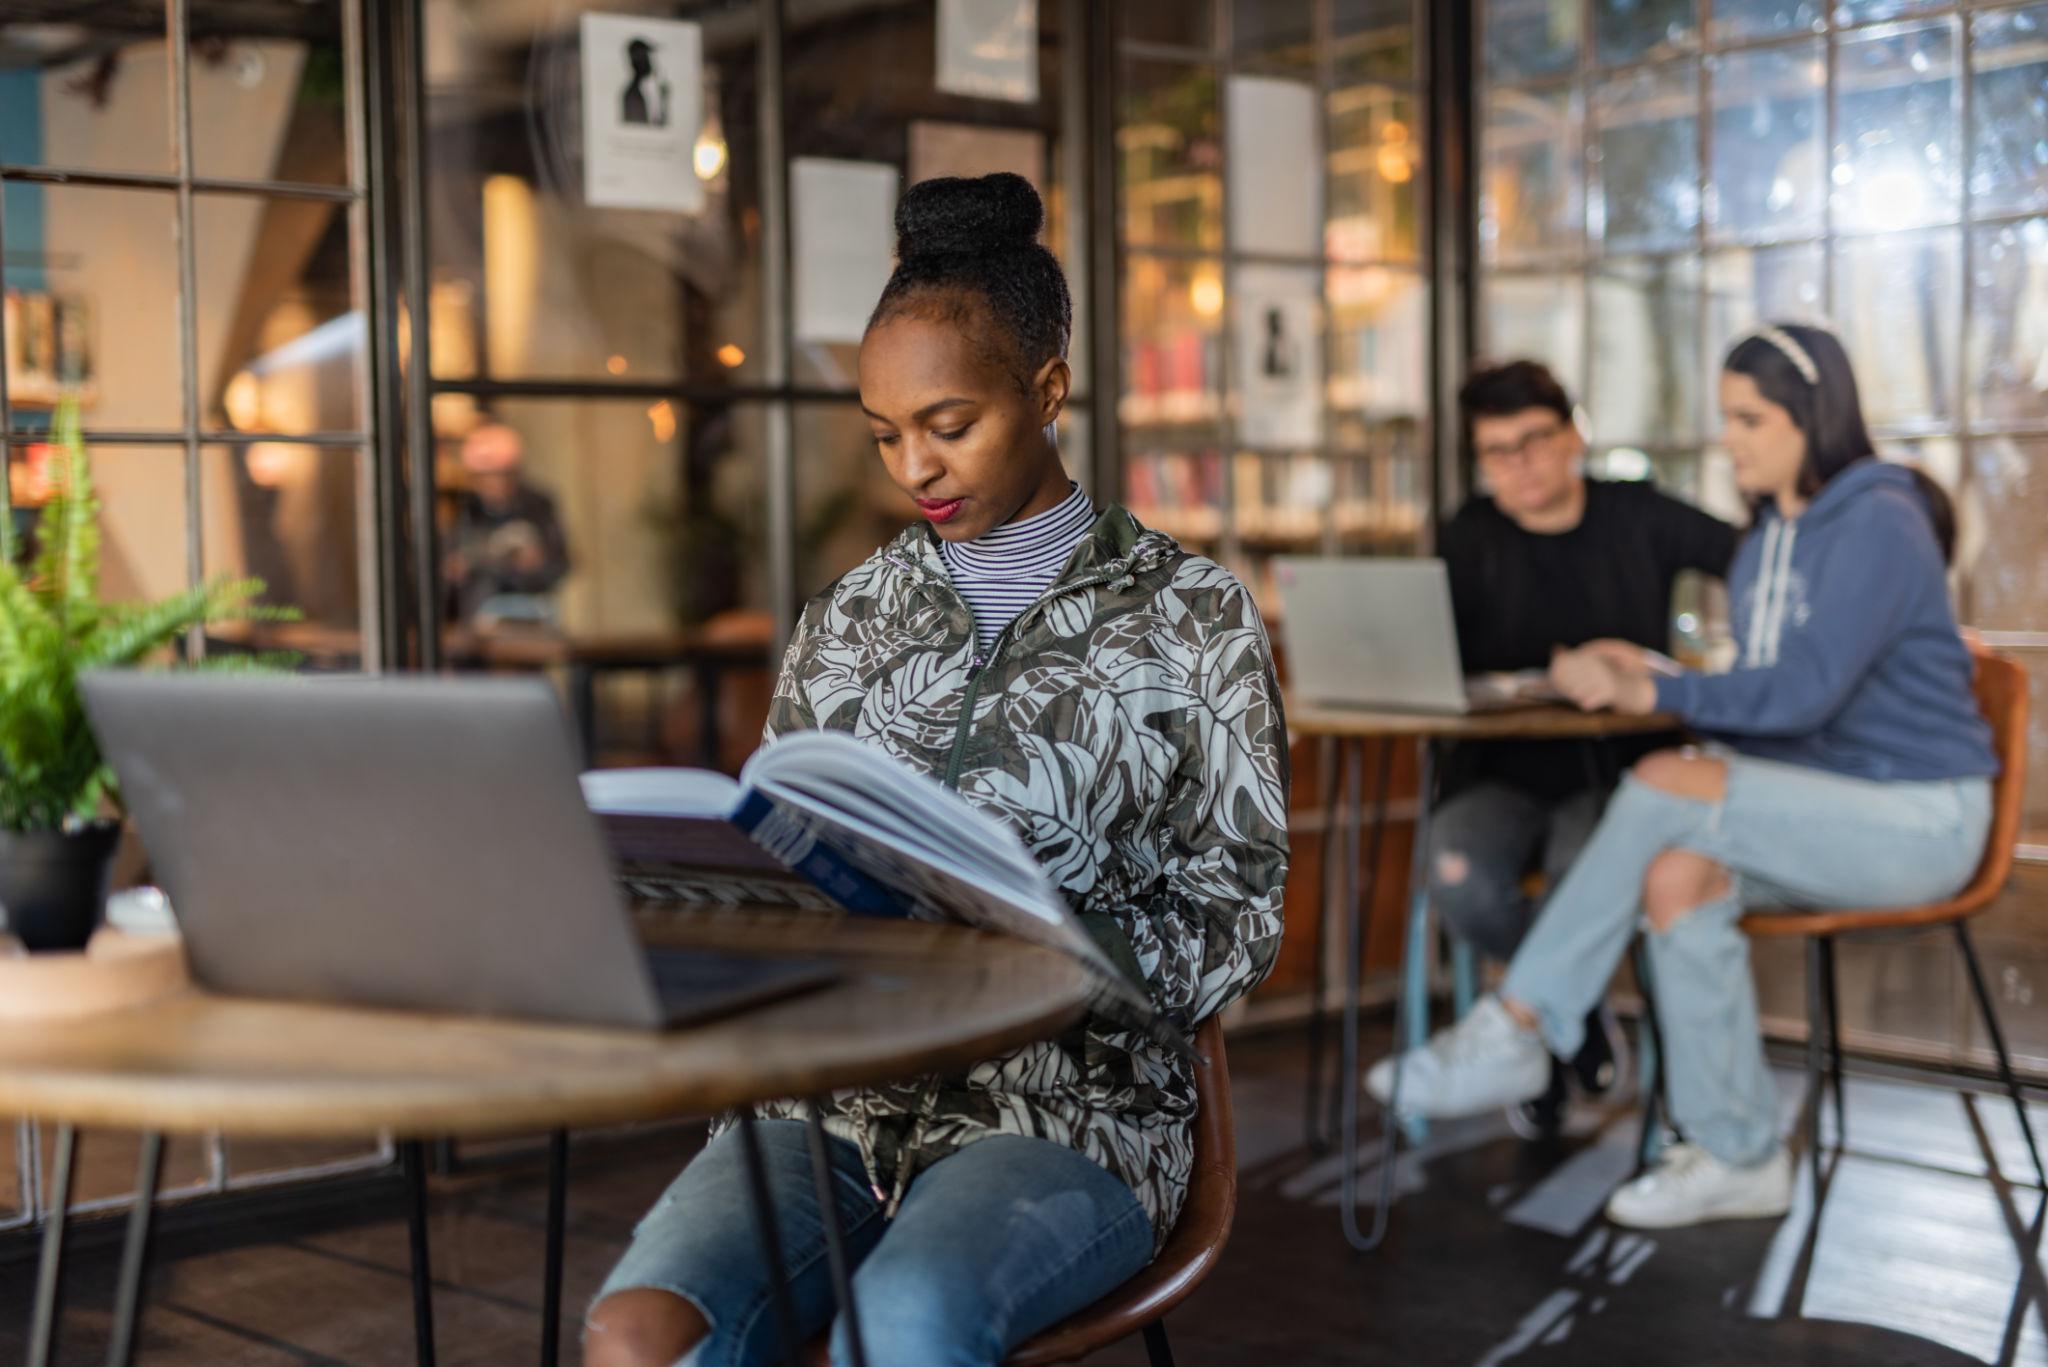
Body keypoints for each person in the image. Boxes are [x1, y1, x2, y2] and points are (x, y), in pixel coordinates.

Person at [583, 173, 1289, 1367]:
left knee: (903, 1324)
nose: (915, 464)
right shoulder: (849, 616)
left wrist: (1072, 946)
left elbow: (1242, 908)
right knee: (636, 1331)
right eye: (884, 433)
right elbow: (782, 843)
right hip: (829, 1103)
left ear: (1046, 390)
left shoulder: (1192, 615)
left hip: (1072, 1107)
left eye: (949, 424)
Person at [1366, 322, 1997, 1229]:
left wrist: (1658, 683)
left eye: (1748, 419)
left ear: (1810, 419)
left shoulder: (1876, 518)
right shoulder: (1781, 528)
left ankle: (1521, 1021)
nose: (1729, 439)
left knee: (1662, 778)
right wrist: (1651, 668)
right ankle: (1739, 1151)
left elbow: (1803, 693)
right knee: (1675, 874)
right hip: (1831, 806)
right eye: (1726, 417)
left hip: (1918, 818)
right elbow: (1778, 677)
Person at [1433, 360, 1738, 1125]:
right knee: (1456, 870)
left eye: (1534, 440)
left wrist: (1683, 667)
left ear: (1574, 434)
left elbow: (1752, 557)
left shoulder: (1638, 514)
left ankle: (1532, 1020)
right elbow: (1441, 658)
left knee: (1583, 868)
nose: (1518, 464)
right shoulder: (1466, 535)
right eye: (1496, 451)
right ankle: (1570, 1011)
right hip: (1499, 773)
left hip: (1618, 774)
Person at [444, 422, 571, 626]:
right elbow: (448, 570)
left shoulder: (537, 506)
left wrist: (532, 564)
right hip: (476, 625)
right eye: (480, 476)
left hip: (529, 621)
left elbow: (560, 564)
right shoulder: (465, 510)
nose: (490, 483)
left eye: (499, 474)